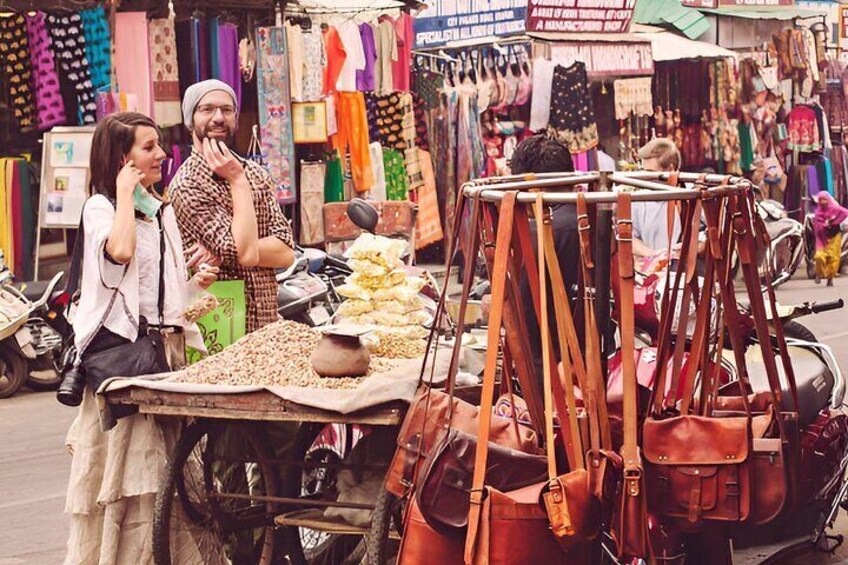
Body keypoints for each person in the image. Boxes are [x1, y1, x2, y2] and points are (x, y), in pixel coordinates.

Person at [61, 112, 217, 563]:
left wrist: (193, 285)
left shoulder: (159, 210)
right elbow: (120, 254)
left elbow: (156, 292)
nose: (161, 156)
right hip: (125, 360)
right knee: (131, 478)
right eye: (148, 147)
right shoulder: (101, 209)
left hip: (163, 357)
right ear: (121, 157)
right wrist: (125, 194)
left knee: (170, 477)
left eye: (160, 146)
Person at [170, 79, 295, 333]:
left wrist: (239, 250)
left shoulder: (256, 173)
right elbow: (245, 255)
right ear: (190, 120)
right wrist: (237, 181)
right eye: (207, 109)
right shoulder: (187, 184)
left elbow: (286, 252)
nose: (218, 117)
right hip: (217, 327)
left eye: (226, 110)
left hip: (266, 322)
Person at [510, 134, 582, 387]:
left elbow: (527, 312)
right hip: (591, 356)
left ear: (532, 185)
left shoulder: (543, 230)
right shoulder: (593, 217)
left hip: (554, 369)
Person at [631, 138, 682, 258]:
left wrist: (693, 247)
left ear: (670, 169)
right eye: (643, 171)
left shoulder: (691, 196)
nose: (646, 177)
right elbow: (629, 238)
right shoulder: (639, 199)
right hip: (652, 272)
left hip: (687, 272)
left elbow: (711, 235)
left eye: (650, 172)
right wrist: (652, 254)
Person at [812, 192, 848, 286]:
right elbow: (817, 227)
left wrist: (835, 222)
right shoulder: (818, 213)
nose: (823, 202)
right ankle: (819, 274)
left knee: (833, 259)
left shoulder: (835, 209)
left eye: (825, 199)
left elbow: (845, 213)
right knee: (819, 256)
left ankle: (830, 278)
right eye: (821, 200)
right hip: (822, 239)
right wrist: (825, 225)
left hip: (834, 237)